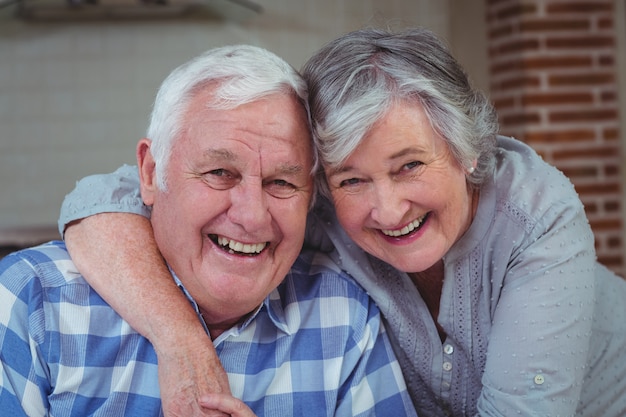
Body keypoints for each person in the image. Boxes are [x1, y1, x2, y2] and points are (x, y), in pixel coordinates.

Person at [56, 27, 626, 416]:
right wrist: (182, 340)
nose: (388, 209)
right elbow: (103, 200)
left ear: (468, 150)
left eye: (410, 166)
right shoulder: (305, 201)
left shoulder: (536, 216)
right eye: (352, 178)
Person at [0, 44, 418, 417]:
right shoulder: (32, 305)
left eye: (282, 182)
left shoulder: (343, 318)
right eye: (220, 173)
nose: (253, 217)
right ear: (150, 172)